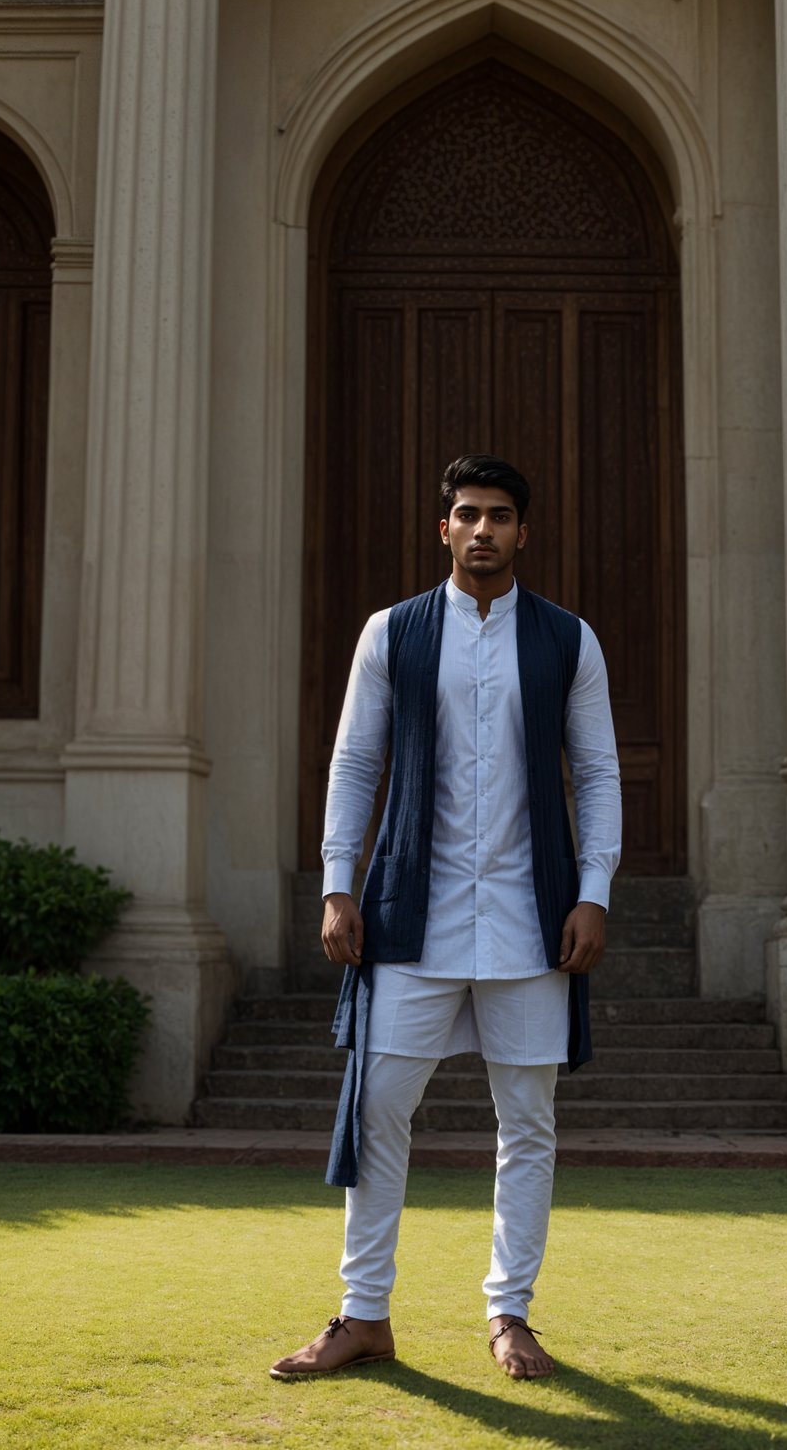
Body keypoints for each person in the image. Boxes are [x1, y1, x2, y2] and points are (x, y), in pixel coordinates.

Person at [270, 453, 621, 1383]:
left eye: (500, 516)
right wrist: (337, 884)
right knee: (380, 1110)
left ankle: (511, 1316)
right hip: (408, 916)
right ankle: (364, 1315)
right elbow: (353, 766)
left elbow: (597, 775)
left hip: (532, 918)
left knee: (528, 1125)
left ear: (522, 532)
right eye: (467, 514)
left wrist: (596, 891)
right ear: (444, 530)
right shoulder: (391, 634)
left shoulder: (567, 641)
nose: (482, 530)